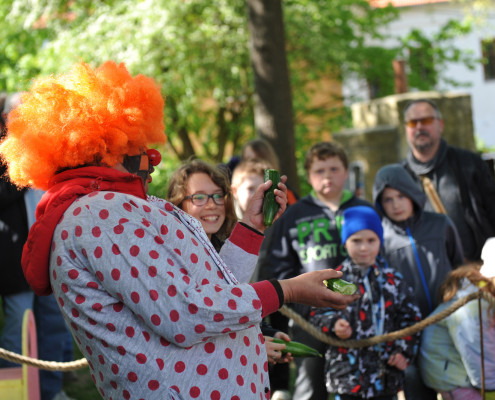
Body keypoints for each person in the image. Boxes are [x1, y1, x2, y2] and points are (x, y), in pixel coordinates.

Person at [0, 60, 359, 400]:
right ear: (106, 149)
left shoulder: (106, 209)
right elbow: (185, 314)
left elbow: (214, 292)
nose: (152, 159)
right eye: (138, 145)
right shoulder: (98, 214)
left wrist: (252, 226)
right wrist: (289, 290)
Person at [258, 141, 373, 400]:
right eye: (320, 171)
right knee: (310, 384)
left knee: (363, 384)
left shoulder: (364, 210)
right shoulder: (294, 215)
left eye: (334, 169)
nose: (327, 176)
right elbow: (281, 266)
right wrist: (300, 304)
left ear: (346, 172)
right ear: (309, 176)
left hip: (360, 314)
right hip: (309, 316)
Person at [166, 158, 293, 367]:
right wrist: (253, 347)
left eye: (217, 196)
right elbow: (191, 322)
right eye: (199, 197)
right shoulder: (171, 257)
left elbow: (232, 306)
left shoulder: (224, 249)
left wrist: (266, 333)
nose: (211, 204)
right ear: (178, 203)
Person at [1, 93, 75, 400]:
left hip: (50, 251)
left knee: (53, 324)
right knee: (19, 326)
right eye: (19, 115)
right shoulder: (5, 153)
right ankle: (12, 392)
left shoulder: (51, 148)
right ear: (7, 119)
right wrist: (24, 169)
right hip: (13, 258)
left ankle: (50, 390)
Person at [372, 163, 465, 400]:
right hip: (408, 334)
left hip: (448, 325)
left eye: (401, 196)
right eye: (388, 199)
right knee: (416, 390)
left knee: (459, 389)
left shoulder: (441, 224)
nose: (396, 204)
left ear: (412, 193)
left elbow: (459, 267)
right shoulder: (380, 239)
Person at [310, 206, 422, 400]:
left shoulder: (393, 281)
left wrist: (403, 351)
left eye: (371, 240)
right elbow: (317, 314)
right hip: (347, 377)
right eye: (356, 241)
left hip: (385, 377)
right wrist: (334, 324)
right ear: (345, 242)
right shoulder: (333, 280)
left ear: (380, 241)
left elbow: (411, 319)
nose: (364, 248)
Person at [401, 98, 495, 262]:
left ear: (441, 124)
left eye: (426, 120)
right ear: (406, 128)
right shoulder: (400, 177)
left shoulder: (469, 163)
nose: (419, 127)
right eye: (412, 122)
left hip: (479, 266)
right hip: (430, 270)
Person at [230, 158, 292, 399]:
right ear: (234, 191)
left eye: (263, 189)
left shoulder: (274, 220)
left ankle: (279, 386)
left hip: (268, 297)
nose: (258, 194)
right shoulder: (224, 225)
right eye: (250, 188)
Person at [418, 237, 495, 400]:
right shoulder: (474, 308)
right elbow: (480, 361)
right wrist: (491, 392)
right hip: (452, 374)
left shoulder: (488, 295)